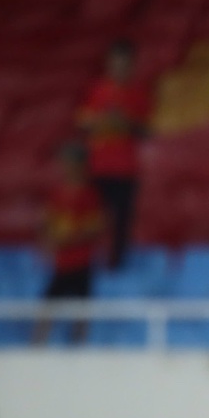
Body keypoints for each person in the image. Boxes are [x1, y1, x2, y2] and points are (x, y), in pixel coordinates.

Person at [77, 38, 150, 269]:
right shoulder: (96, 91)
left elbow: (145, 130)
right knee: (93, 218)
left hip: (126, 169)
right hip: (99, 166)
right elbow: (83, 122)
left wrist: (126, 122)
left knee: (122, 221)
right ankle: (84, 262)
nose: (119, 68)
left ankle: (117, 266)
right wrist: (101, 120)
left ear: (132, 65)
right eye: (115, 63)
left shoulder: (139, 93)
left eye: (125, 64)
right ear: (108, 64)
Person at [34, 141, 104, 345]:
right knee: (47, 305)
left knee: (82, 308)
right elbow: (46, 221)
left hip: (81, 260)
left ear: (80, 165)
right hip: (61, 262)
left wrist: (67, 239)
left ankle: (79, 347)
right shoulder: (57, 193)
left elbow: (95, 227)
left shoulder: (90, 195)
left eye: (68, 162)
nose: (64, 166)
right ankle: (36, 346)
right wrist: (46, 242)